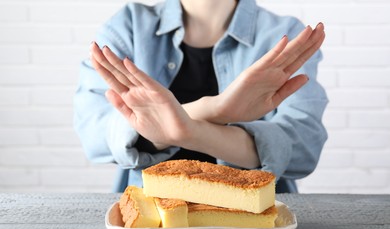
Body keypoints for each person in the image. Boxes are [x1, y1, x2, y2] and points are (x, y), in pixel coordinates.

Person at [74, 0, 328, 193]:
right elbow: (95, 134)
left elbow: (303, 147)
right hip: (150, 221)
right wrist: (212, 109)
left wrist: (190, 131)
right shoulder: (130, 25)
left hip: (256, 223)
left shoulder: (283, 34)